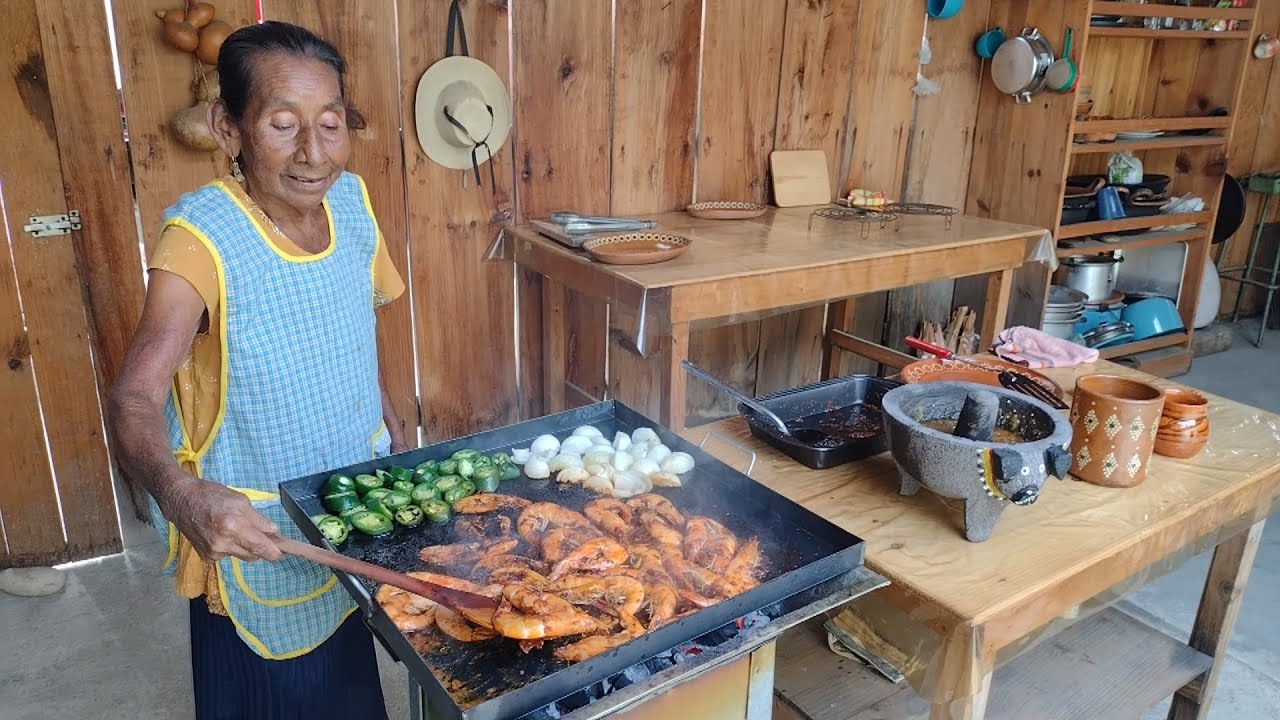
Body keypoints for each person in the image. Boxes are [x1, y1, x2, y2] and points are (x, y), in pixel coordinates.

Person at [109, 21, 406, 720]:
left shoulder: (353, 203)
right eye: (282, 125)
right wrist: (185, 499)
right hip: (255, 533)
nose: (313, 152)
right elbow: (133, 398)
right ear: (228, 128)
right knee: (275, 691)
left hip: (348, 506)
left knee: (349, 683)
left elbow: (357, 316)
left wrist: (385, 411)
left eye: (331, 125)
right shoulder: (202, 238)